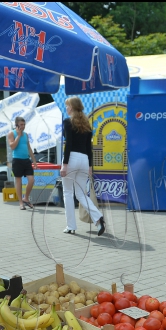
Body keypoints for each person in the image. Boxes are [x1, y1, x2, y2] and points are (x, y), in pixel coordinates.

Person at [60, 96, 105, 235]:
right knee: (80, 193)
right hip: (84, 160)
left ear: (72, 107)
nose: (66, 108)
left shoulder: (67, 122)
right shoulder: (87, 124)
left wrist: (64, 164)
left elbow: (68, 145)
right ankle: (97, 218)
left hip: (72, 158)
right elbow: (88, 146)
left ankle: (71, 226)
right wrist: (90, 166)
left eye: (67, 106)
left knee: (68, 193)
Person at [7, 116, 37, 210]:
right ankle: (21, 202)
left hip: (26, 160)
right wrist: (18, 136)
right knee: (18, 181)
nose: (23, 126)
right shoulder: (12, 133)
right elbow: (12, 146)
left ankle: (26, 198)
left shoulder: (26, 134)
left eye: (24, 124)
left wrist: (34, 160)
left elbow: (29, 148)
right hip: (17, 159)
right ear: (16, 125)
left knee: (31, 180)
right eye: (21, 125)